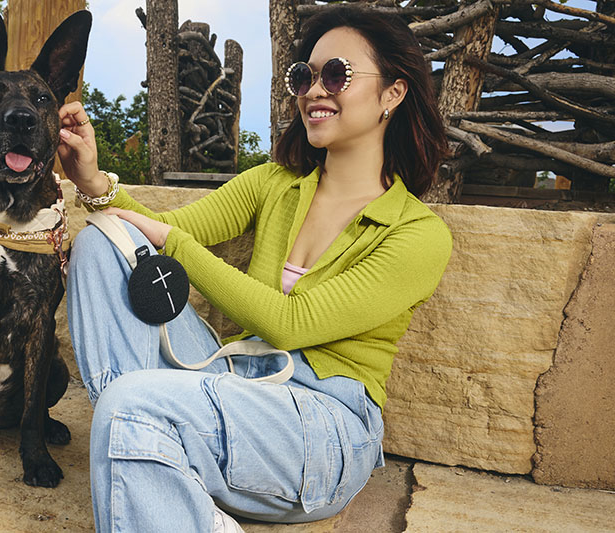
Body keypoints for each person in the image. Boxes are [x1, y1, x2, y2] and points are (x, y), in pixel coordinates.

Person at [58, 6, 451, 533]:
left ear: (392, 95)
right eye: (304, 76)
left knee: (129, 404)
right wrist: (91, 180)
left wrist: (173, 243)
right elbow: (164, 229)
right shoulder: (275, 182)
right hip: (234, 380)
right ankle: (151, 451)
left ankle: (141, 437)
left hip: (320, 426)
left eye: (336, 74)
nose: (315, 90)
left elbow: (290, 323)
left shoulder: (417, 234)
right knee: (100, 246)